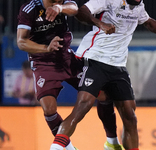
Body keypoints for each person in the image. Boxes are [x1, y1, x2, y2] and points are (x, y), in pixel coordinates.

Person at [49, 0, 156, 150]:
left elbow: (149, 22)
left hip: (118, 66)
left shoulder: (139, 6)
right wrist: (100, 23)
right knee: (83, 105)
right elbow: (81, 12)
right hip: (95, 58)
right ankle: (57, 146)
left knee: (130, 116)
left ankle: (112, 143)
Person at [17, 0, 122, 149]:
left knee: (104, 94)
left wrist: (59, 8)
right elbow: (21, 42)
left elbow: (74, 9)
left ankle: (111, 142)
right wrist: (47, 48)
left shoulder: (61, 3)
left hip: (67, 59)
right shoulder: (29, 9)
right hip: (43, 63)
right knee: (49, 109)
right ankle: (68, 147)